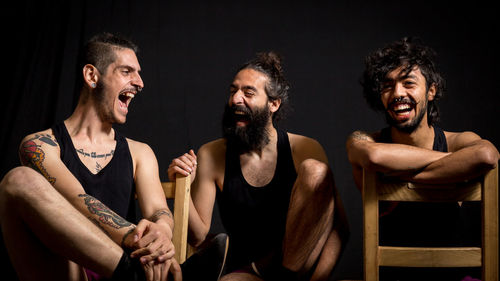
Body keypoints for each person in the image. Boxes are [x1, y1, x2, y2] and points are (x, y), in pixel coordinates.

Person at [0, 32, 225, 281]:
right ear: (92, 76)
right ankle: (134, 274)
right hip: (68, 273)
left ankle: (138, 273)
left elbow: (159, 211)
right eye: (127, 71)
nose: (140, 83)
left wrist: (160, 233)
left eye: (139, 73)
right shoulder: (40, 145)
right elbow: (77, 200)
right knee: (18, 180)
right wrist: (138, 238)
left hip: (124, 266)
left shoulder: (140, 153)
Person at [168, 52, 349, 281]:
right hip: (246, 269)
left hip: (297, 269)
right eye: (233, 91)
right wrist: (181, 185)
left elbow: (339, 228)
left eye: (248, 92)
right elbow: (197, 236)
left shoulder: (303, 149)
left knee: (316, 171)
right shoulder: (212, 154)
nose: (235, 99)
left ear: (273, 104)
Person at [346, 37, 499, 280]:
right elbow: (374, 156)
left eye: (408, 83)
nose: (397, 93)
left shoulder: (457, 140)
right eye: (387, 86)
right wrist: (452, 162)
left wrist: (401, 172)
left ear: (431, 91)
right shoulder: (365, 140)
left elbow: (487, 155)